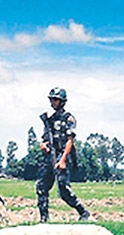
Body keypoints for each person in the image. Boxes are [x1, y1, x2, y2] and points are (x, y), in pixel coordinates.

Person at [36, 87, 90, 223]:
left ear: (62, 101)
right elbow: (46, 139)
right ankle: (43, 218)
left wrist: (63, 159)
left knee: (64, 190)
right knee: (41, 187)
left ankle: (83, 212)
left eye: (55, 100)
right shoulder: (50, 120)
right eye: (52, 99)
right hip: (49, 157)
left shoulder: (68, 118)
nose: (53, 102)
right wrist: (43, 145)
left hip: (62, 155)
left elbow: (70, 140)